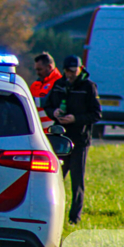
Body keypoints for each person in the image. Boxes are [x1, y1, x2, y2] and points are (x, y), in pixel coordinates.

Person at [43, 55, 101, 225]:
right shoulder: (59, 84)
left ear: (80, 69)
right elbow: (48, 105)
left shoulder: (89, 87)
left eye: (73, 71)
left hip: (80, 140)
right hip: (60, 140)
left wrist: (75, 118)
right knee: (55, 178)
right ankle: (52, 214)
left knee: (77, 180)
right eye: (67, 71)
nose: (70, 74)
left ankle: (74, 218)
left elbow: (96, 114)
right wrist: (53, 113)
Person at [30, 52, 63, 133]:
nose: (37, 73)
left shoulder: (60, 84)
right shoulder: (35, 85)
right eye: (36, 70)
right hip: (37, 132)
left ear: (49, 67)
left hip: (53, 132)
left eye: (40, 69)